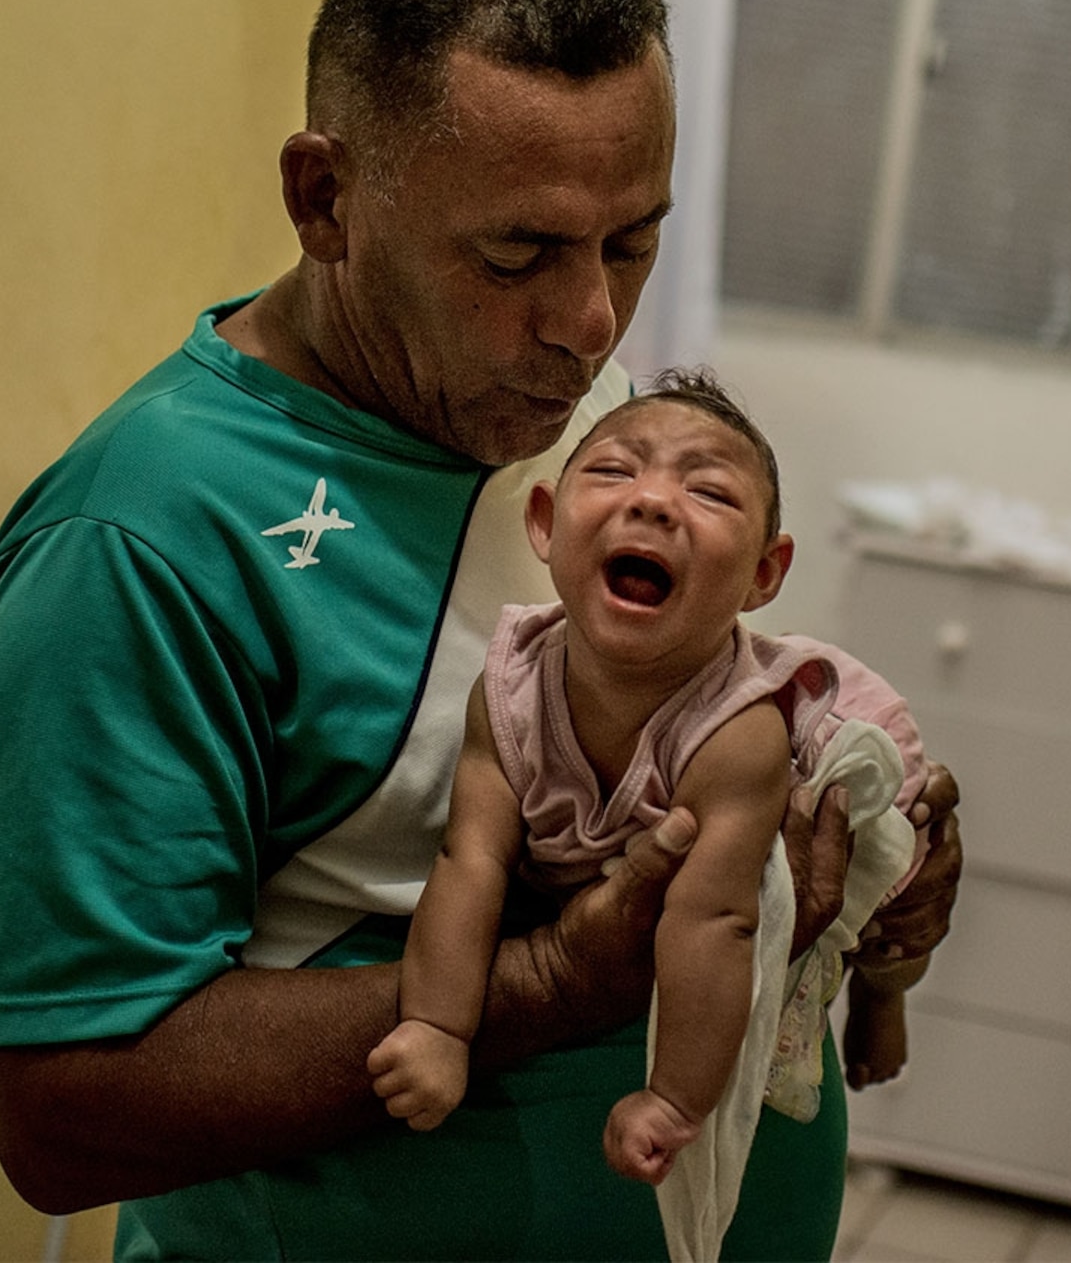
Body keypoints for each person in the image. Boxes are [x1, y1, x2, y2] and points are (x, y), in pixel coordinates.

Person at [0, 0, 962, 1260]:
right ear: (325, 199)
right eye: (519, 254)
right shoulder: (141, 536)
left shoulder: (584, 421)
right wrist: (553, 980)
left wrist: (849, 853)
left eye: (632, 241)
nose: (592, 322)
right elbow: (68, 1106)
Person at [369, 373, 932, 1200]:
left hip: (802, 798)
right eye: (612, 473)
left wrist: (673, 1098)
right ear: (544, 524)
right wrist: (437, 1025)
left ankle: (885, 997)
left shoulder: (739, 735)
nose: (654, 502)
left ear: (763, 575)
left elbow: (719, 924)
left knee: (873, 912)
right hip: (609, 843)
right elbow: (472, 858)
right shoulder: (511, 687)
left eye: (708, 490)